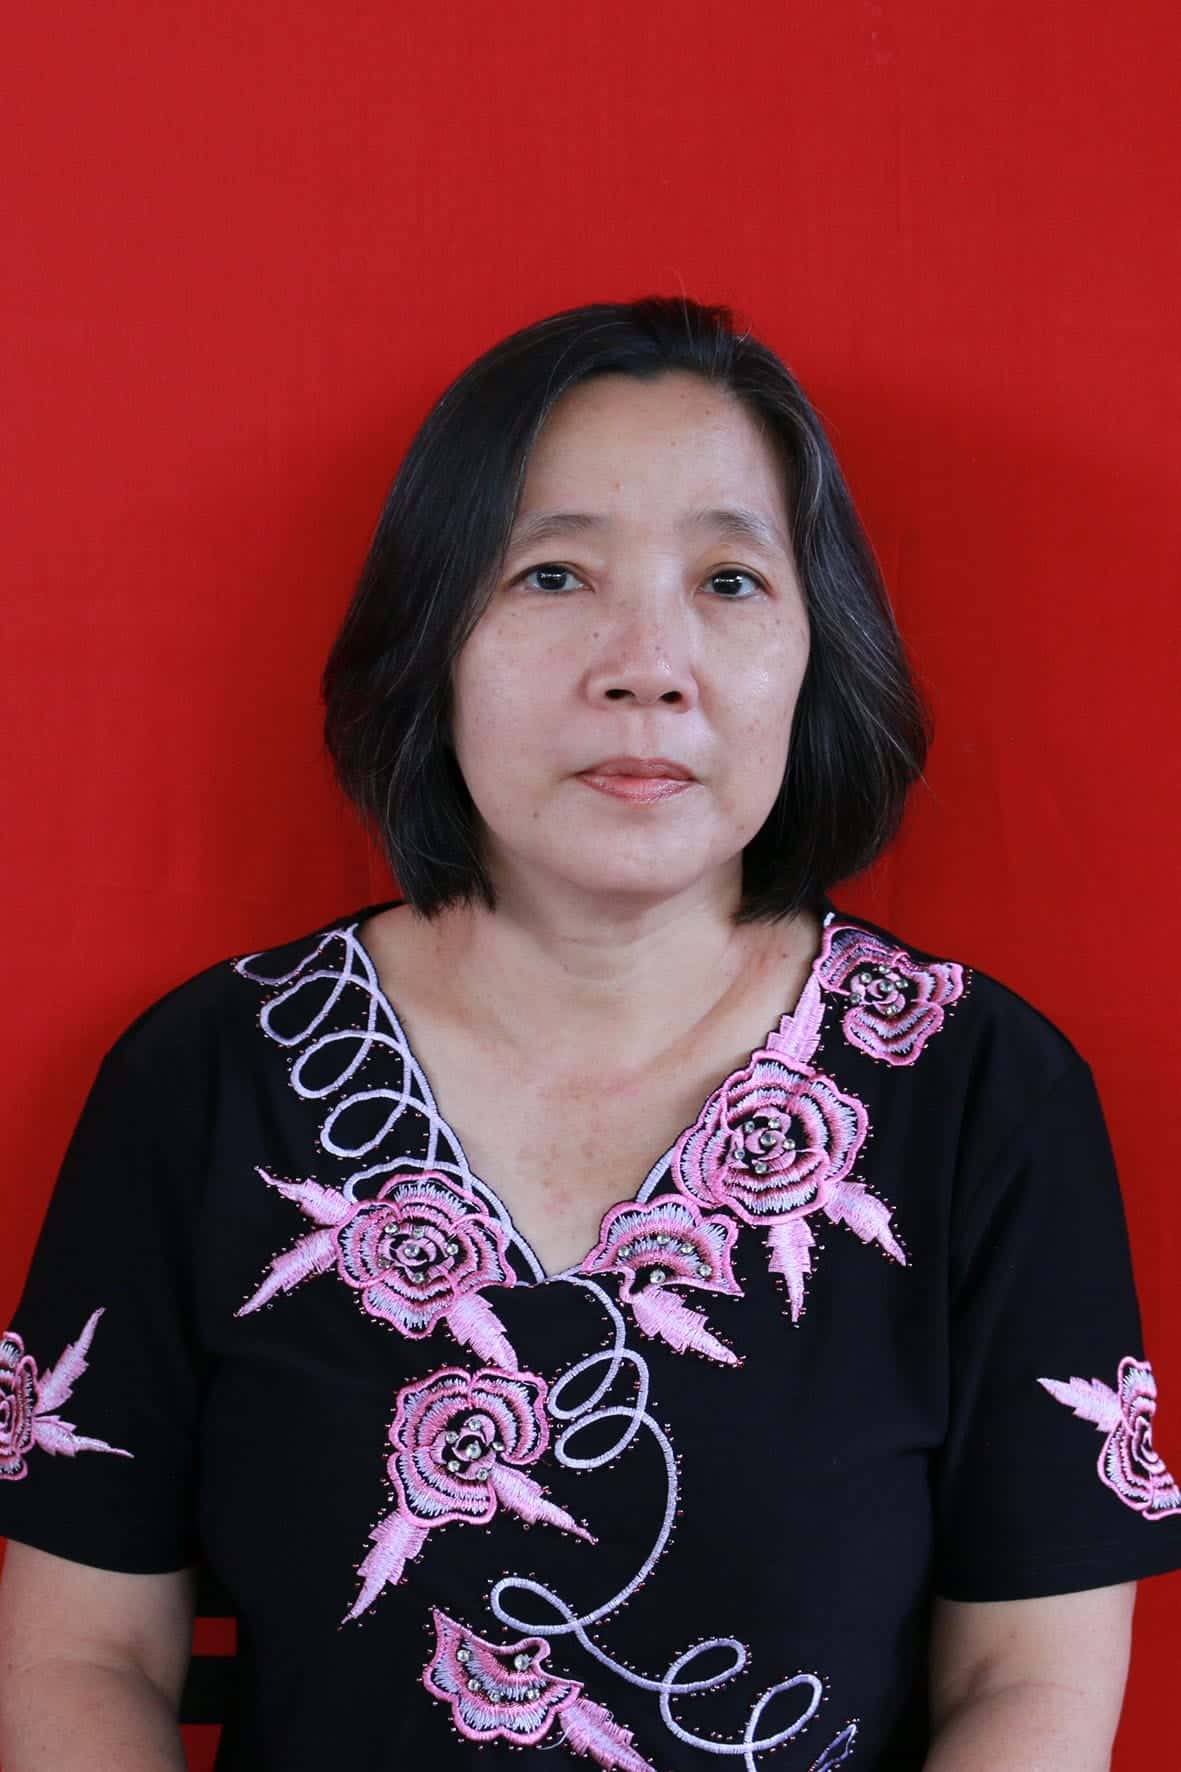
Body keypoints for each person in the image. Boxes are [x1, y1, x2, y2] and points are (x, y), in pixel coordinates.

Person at [1, 295, 1179, 1772]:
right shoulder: (210, 1080)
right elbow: (82, 1652)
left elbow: (1028, 1680)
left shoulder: (977, 1092)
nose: (646, 664)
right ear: (433, 633)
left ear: (816, 653)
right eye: (551, 574)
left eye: (731, 581)